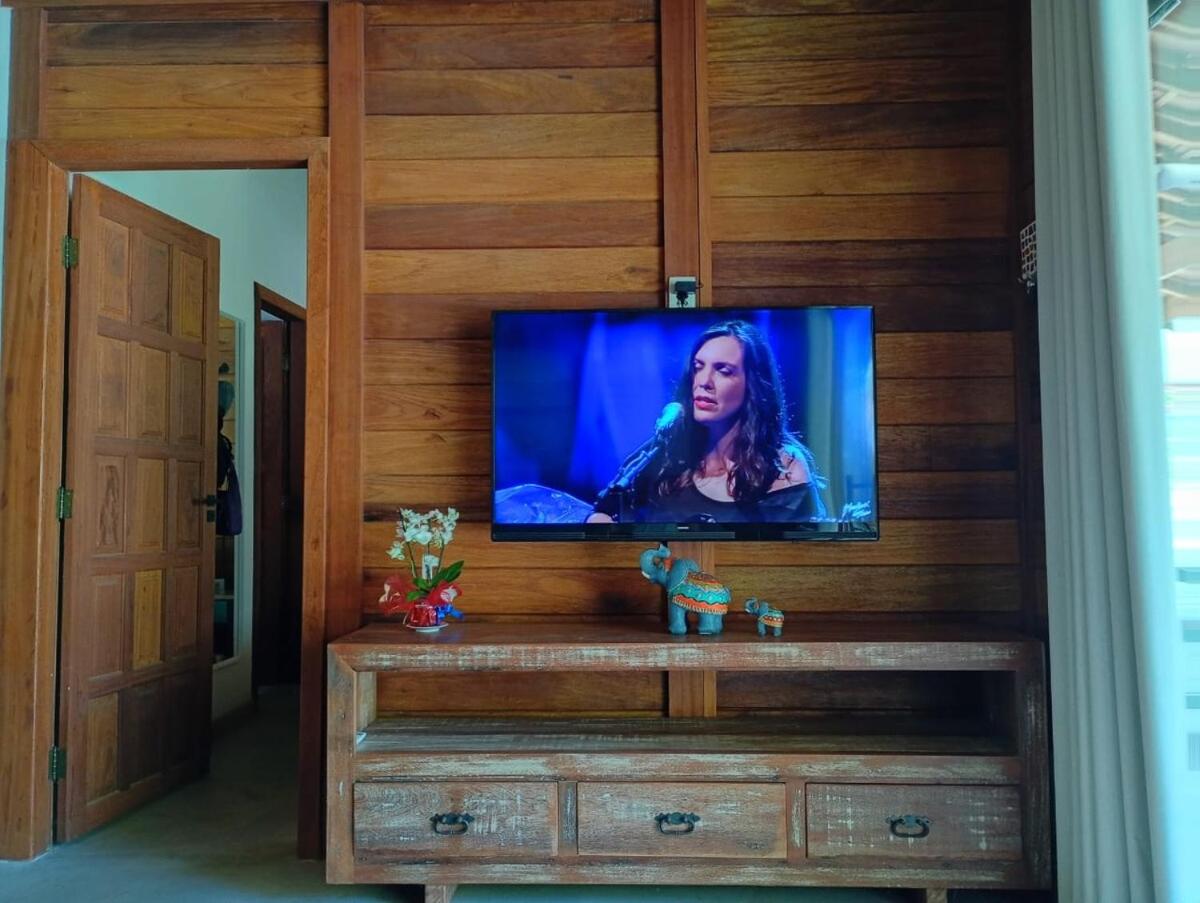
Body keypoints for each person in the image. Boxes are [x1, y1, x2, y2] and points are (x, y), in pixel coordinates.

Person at [588, 319, 826, 524]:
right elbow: (610, 515)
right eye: (698, 367)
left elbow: (799, 551)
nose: (704, 382)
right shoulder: (665, 455)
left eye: (723, 370)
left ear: (752, 385)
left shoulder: (783, 468)